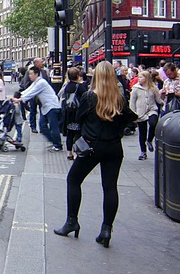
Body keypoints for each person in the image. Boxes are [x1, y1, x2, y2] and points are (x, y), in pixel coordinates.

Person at [54, 61, 138, 248]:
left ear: (97, 76)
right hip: (114, 148)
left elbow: (78, 118)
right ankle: (106, 229)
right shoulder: (119, 99)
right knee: (110, 188)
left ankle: (72, 222)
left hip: (91, 147)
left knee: (73, 180)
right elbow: (132, 120)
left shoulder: (89, 97)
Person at [20, 65, 63, 151]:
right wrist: (20, 96)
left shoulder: (41, 82)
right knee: (42, 126)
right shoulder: (36, 82)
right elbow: (29, 90)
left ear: (36, 74)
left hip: (52, 107)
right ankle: (54, 142)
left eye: (31, 74)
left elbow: (32, 92)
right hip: (46, 107)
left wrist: (20, 99)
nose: (29, 76)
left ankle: (57, 145)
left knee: (53, 127)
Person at [130, 71, 163, 161]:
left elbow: (158, 99)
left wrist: (164, 103)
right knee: (142, 132)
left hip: (152, 110)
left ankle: (149, 140)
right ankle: (143, 152)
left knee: (153, 123)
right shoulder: (136, 88)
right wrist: (133, 115)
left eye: (141, 77)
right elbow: (132, 102)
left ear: (146, 78)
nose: (139, 79)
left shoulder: (153, 88)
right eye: (139, 77)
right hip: (140, 113)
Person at [61, 67, 88, 160]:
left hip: (69, 113)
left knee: (70, 133)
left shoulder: (67, 86)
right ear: (77, 76)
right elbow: (86, 97)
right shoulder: (80, 86)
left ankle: (69, 153)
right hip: (78, 113)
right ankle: (77, 153)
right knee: (78, 133)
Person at [20, 58, 50, 134]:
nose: (43, 63)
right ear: (36, 63)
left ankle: (42, 127)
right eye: (41, 62)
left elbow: (47, 82)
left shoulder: (43, 72)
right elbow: (25, 83)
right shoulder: (29, 72)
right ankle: (33, 127)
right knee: (33, 111)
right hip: (33, 96)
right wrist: (30, 93)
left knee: (43, 111)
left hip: (42, 96)